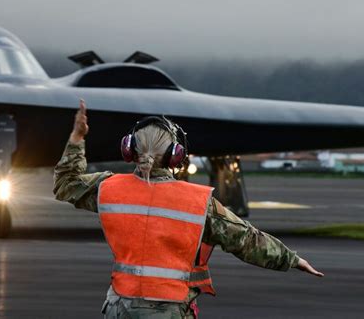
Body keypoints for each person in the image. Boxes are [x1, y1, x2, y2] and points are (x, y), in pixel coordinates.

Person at [53, 99, 324, 318]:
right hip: (166, 309)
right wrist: (291, 259)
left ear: (129, 149)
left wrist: (77, 137)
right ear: (176, 155)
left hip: (118, 307)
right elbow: (245, 239)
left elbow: (66, 183)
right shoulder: (196, 202)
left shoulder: (109, 188)